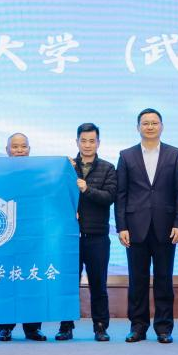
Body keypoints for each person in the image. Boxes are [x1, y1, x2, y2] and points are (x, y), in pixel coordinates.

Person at [115, 108, 178, 343]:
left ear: (161, 126)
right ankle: (138, 327)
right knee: (137, 280)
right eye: (145, 123)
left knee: (164, 279)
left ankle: (164, 328)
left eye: (154, 123)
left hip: (166, 227)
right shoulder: (126, 155)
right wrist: (121, 226)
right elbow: (121, 194)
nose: (150, 127)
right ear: (138, 127)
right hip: (134, 227)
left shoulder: (175, 154)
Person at [55, 123, 116, 342]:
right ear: (77, 142)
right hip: (70, 238)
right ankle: (65, 326)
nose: (87, 145)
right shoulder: (67, 167)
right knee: (68, 283)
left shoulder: (108, 168)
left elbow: (109, 197)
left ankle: (100, 327)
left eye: (92, 141)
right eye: (83, 140)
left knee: (98, 284)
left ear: (98, 143)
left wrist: (87, 189)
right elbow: (57, 197)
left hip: (97, 236)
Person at [0, 133, 47, 342]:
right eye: (15, 147)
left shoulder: (38, 175)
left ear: (29, 149)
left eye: (23, 146)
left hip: (33, 238)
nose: (19, 150)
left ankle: (33, 328)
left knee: (32, 280)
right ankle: (4, 327)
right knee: (6, 281)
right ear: (7, 150)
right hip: (5, 237)